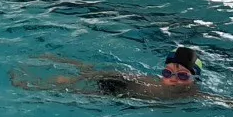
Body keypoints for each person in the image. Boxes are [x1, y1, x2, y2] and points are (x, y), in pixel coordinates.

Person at [11, 48, 205, 103]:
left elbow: (223, 101)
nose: (172, 79)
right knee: (77, 88)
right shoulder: (186, 95)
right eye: (167, 73)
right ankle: (35, 86)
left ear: (194, 79)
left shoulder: (193, 94)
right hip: (120, 88)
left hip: (126, 89)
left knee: (85, 79)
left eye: (181, 76)